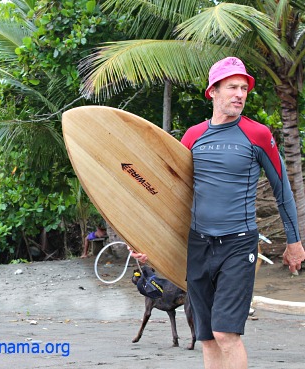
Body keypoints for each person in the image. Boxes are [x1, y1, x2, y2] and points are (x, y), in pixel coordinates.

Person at [130, 56, 305, 369]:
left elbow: (282, 191)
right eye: (232, 87)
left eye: (243, 88)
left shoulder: (258, 135)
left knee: (226, 333)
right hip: (199, 245)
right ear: (213, 91)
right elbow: (172, 199)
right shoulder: (193, 137)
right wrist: (148, 244)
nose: (239, 94)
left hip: (238, 245)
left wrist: (294, 242)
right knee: (207, 336)